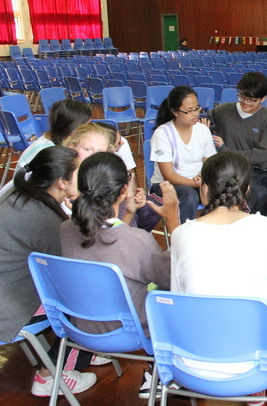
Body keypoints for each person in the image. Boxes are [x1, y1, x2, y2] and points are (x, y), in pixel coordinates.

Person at [170, 152, 267, 403]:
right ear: (246, 189)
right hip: (252, 364)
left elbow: (178, 297)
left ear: (204, 188)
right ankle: (258, 392)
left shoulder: (181, 233)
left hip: (190, 361)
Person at [0, 147, 99, 396]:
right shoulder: (45, 220)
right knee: (88, 301)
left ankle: (86, 349)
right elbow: (72, 269)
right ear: (62, 182)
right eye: (80, 174)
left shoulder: (19, 190)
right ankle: (51, 376)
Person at [60, 152, 179, 398]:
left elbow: (107, 241)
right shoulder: (137, 240)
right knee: (176, 296)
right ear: (124, 190)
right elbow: (173, 279)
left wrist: (128, 215)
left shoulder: (64, 230)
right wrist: (173, 220)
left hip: (80, 327)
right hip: (130, 332)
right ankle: (159, 373)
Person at [206, 71, 267, 224]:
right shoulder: (223, 111)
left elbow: (263, 153)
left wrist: (226, 151)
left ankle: (262, 227)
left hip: (262, 169)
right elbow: (203, 122)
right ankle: (255, 229)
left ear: (263, 98)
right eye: (242, 97)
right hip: (235, 171)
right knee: (259, 196)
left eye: (252, 100)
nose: (246, 103)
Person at [150, 86, 216, 223]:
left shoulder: (202, 130)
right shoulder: (163, 133)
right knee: (189, 196)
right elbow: (169, 176)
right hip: (166, 185)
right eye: (189, 111)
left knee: (226, 190)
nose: (195, 114)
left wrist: (201, 177)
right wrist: (199, 184)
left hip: (198, 181)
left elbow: (209, 161)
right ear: (175, 112)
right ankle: (182, 234)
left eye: (197, 108)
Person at [16, 99, 92, 171]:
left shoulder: (54, 139)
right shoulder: (49, 153)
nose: (88, 130)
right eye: (87, 126)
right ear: (72, 127)